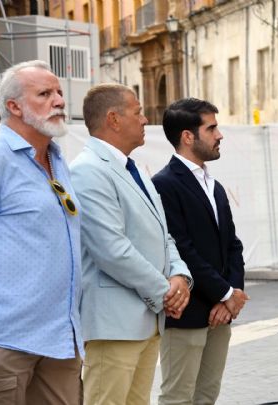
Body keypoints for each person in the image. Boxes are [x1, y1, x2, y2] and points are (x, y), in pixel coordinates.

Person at [70, 84, 193, 405]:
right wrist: (165, 291)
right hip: (114, 325)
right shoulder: (88, 171)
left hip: (144, 320)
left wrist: (180, 276)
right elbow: (111, 249)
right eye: (137, 112)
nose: (145, 119)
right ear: (113, 119)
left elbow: (163, 233)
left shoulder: (130, 167)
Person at [0, 60, 83, 404]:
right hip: (8, 340)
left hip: (62, 338)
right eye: (44, 93)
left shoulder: (58, 159)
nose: (59, 100)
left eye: (59, 92)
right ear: (13, 106)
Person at [152, 98, 249, 404]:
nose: (219, 135)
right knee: (178, 397)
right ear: (187, 136)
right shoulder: (164, 184)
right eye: (212, 128)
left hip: (221, 313)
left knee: (207, 395)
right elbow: (181, 249)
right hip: (187, 311)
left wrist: (233, 295)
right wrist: (225, 293)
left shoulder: (215, 186)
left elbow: (232, 244)